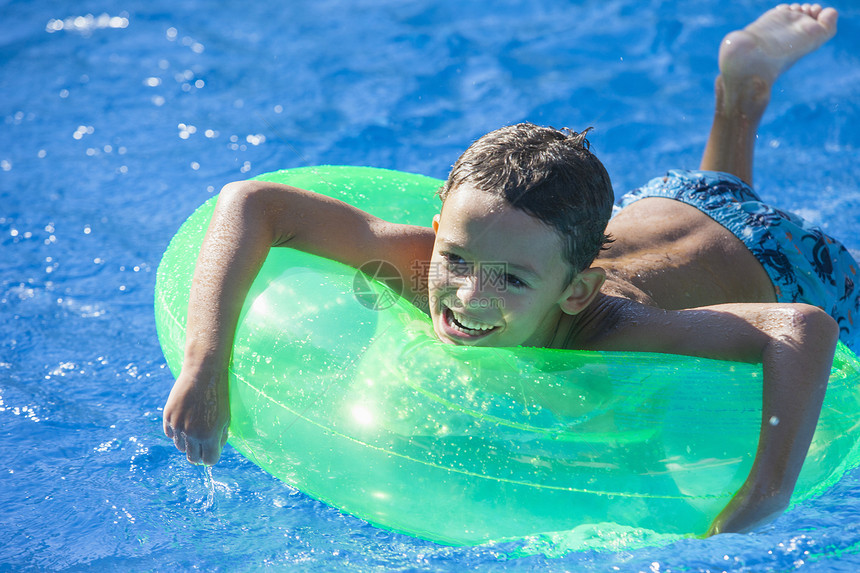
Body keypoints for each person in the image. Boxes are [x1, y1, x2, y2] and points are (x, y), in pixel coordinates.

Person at [163, 4, 853, 536]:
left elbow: (801, 325)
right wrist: (205, 360)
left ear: (577, 293)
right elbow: (251, 202)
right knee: (711, 207)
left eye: (512, 281)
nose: (465, 294)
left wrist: (763, 493)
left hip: (781, 257)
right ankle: (739, 89)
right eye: (455, 257)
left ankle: (742, 94)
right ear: (437, 225)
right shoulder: (416, 261)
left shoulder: (613, 330)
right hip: (678, 201)